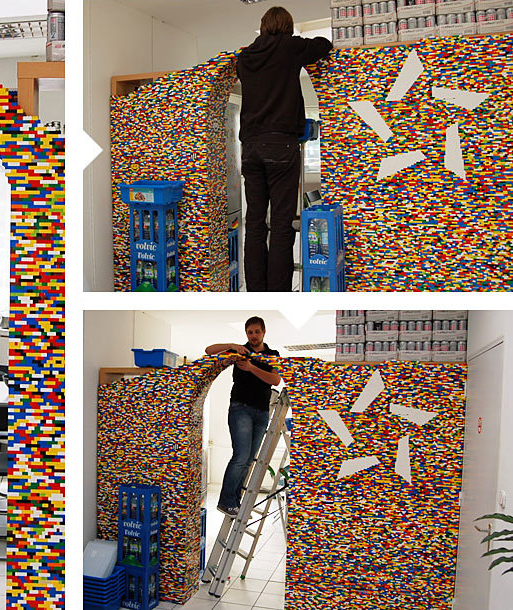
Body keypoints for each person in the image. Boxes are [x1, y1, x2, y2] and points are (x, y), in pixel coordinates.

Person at [237, 6, 333, 292]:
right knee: (281, 224)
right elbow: (324, 45)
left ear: (264, 25)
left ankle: (256, 290)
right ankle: (278, 291)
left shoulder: (245, 56)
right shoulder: (289, 47)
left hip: (250, 147)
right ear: (287, 27)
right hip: (281, 146)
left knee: (254, 223)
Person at [205, 316, 281, 516]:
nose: (253, 336)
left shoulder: (272, 355)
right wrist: (231, 345)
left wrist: (251, 368)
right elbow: (209, 350)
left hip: (262, 412)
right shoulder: (240, 351)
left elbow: (275, 380)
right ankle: (225, 501)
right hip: (241, 408)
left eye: (257, 332)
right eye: (249, 332)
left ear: (264, 332)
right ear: (246, 333)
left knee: (248, 460)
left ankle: (234, 501)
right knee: (240, 456)